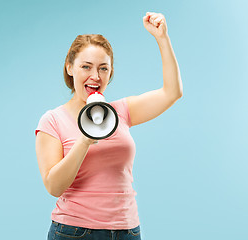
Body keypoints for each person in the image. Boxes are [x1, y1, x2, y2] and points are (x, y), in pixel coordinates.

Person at [35, 12, 183, 240]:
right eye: (86, 67)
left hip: (128, 231)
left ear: (110, 72)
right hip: (74, 233)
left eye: (103, 68)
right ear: (69, 68)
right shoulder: (52, 120)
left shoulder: (121, 112)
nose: (95, 76)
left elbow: (172, 92)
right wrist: (84, 140)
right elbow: (54, 186)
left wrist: (162, 38)